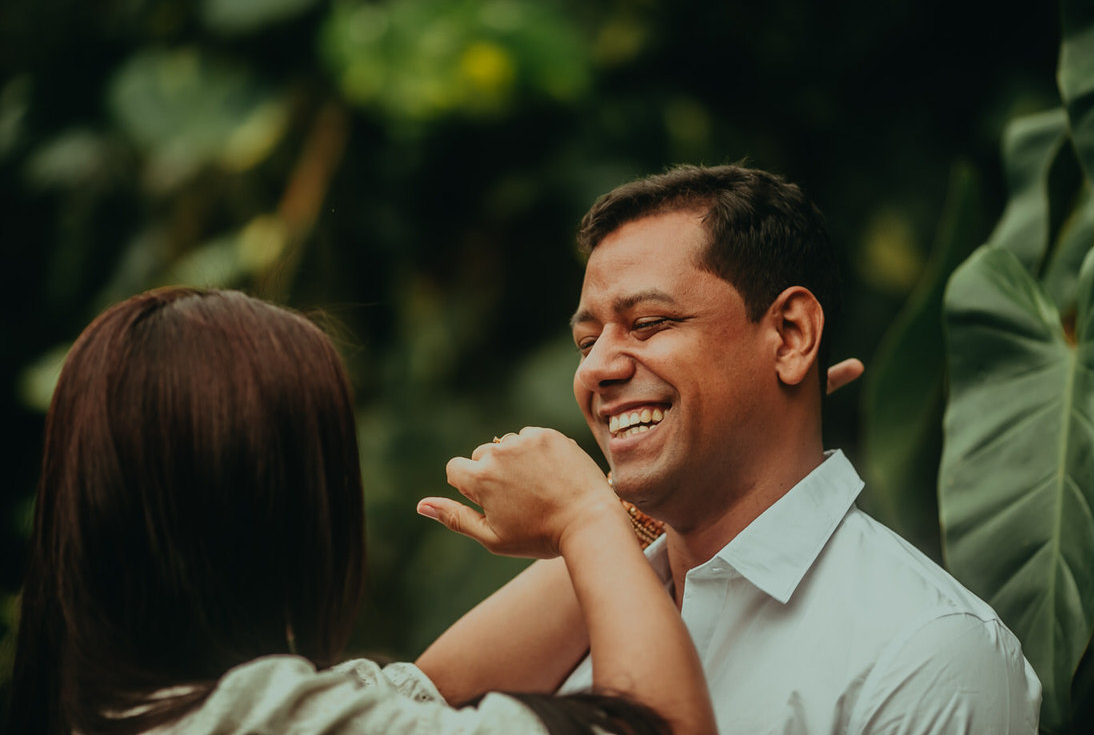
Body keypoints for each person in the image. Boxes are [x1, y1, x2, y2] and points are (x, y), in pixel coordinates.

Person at [419, 164, 1042, 733]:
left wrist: (589, 514)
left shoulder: (927, 652)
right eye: (587, 343)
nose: (596, 369)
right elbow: (412, 710)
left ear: (791, 335)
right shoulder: (594, 598)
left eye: (649, 323)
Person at [6, 287, 717, 735]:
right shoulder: (251, 718)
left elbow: (432, 689)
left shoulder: (128, 709)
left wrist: (632, 503)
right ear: (276, 513)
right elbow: (658, 726)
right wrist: (584, 516)